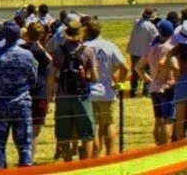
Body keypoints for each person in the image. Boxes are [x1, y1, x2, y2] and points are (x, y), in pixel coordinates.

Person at [0, 22, 37, 168]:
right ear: (18, 36)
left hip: (1, 103)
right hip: (22, 103)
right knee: (24, 146)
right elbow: (33, 79)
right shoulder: (27, 55)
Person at [50, 23, 98, 161]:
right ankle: (86, 163)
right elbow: (95, 77)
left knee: (64, 134)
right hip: (81, 97)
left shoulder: (59, 51)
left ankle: (67, 162)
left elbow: (52, 76)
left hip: (63, 96)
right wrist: (86, 77)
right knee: (87, 133)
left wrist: (50, 95)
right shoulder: (87, 51)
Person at [82, 19, 128, 156]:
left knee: (94, 125)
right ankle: (111, 154)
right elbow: (125, 67)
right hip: (107, 91)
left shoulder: (83, 46)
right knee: (109, 123)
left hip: (89, 91)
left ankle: (95, 155)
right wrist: (119, 83)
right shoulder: (110, 46)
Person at [134, 19, 176, 144]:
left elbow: (138, 67)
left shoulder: (152, 48)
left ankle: (158, 145)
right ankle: (165, 146)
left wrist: (147, 79)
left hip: (154, 87)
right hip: (167, 87)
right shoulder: (171, 48)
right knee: (168, 120)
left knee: (158, 120)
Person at [21, 22, 52, 141]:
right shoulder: (39, 51)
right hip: (39, 92)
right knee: (36, 128)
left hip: (24, 91)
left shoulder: (21, 49)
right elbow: (50, 61)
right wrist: (39, 44)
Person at [128, 7, 158, 97]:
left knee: (135, 72)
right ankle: (146, 91)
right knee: (147, 71)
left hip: (134, 51)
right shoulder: (151, 26)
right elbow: (156, 39)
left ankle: (133, 91)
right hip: (145, 53)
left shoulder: (136, 22)